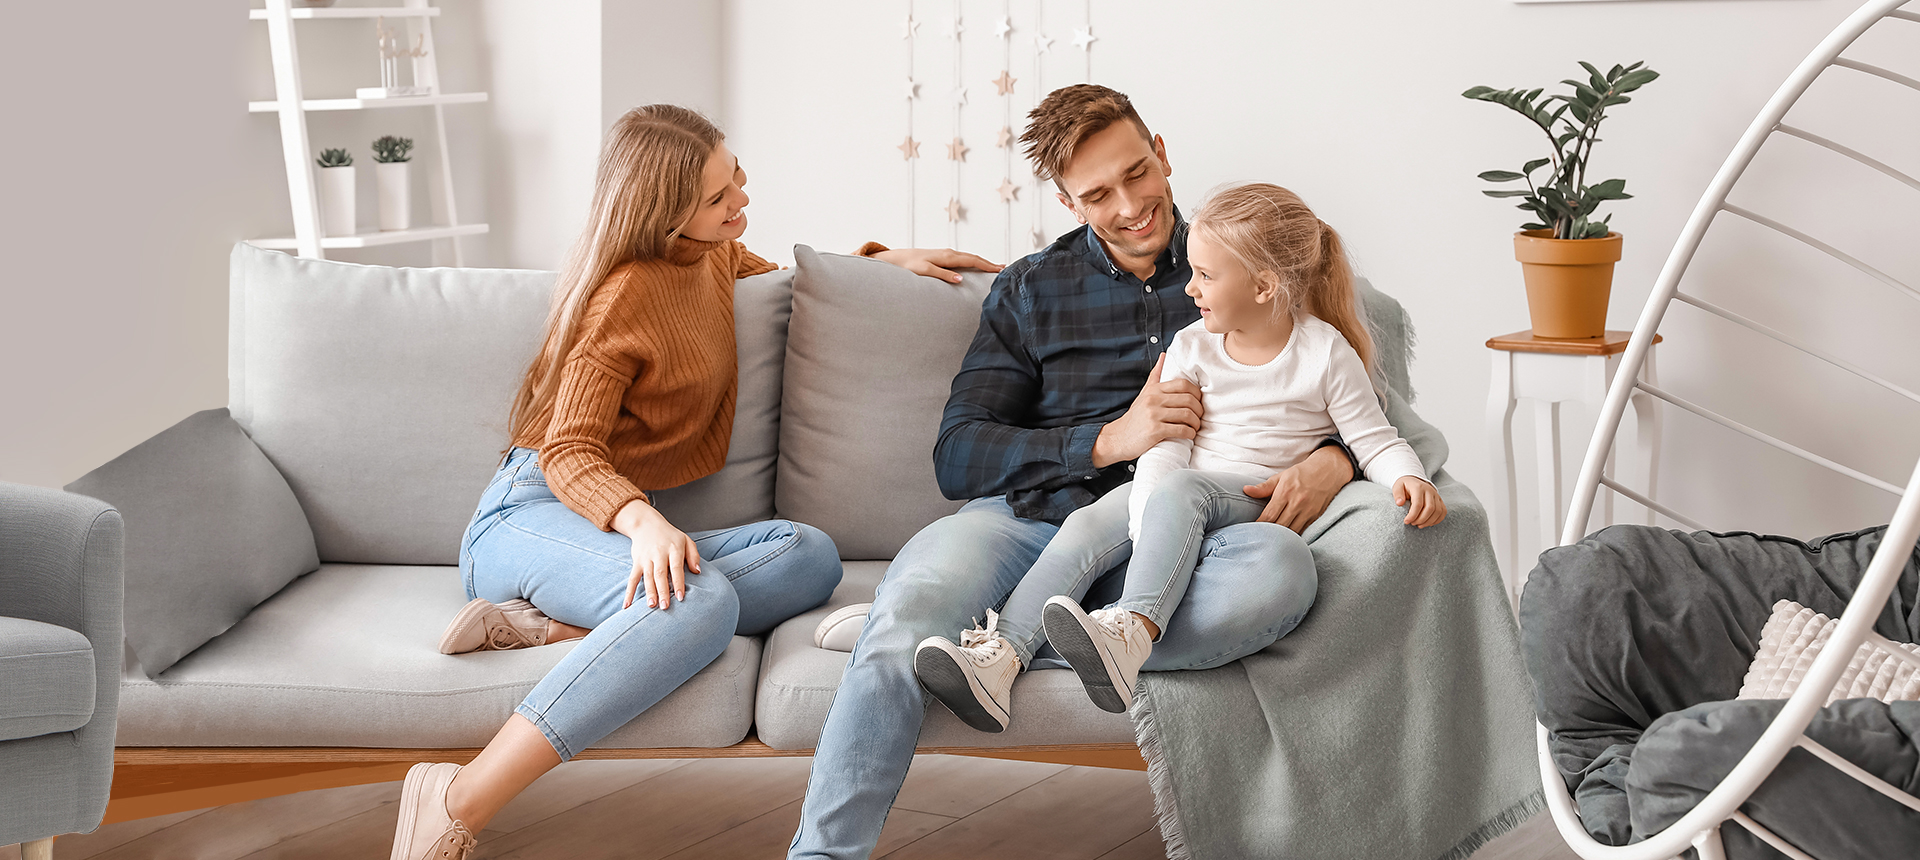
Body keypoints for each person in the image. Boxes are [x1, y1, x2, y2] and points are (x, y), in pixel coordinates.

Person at [387, 104, 999, 860]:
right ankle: (456, 797)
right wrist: (642, 521)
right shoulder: (620, 298)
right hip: (530, 512)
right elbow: (568, 452)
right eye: (717, 198)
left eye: (734, 173)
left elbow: (775, 278)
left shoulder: (708, 253)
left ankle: (547, 627)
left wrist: (878, 263)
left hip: (594, 531)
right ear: (665, 216)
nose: (739, 198)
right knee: (700, 600)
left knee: (807, 554)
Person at [789, 85, 1364, 859]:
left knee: (1283, 573)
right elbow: (959, 453)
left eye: (1137, 173)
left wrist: (1334, 458)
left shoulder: (1247, 259)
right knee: (901, 628)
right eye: (1097, 194)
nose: (1130, 205)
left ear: (1161, 152)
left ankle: (993, 637)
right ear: (1066, 200)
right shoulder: (1031, 288)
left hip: (1180, 543)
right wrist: (1106, 440)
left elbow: (1368, 405)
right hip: (1029, 522)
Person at [914, 182, 1447, 730]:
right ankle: (1000, 658)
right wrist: (1146, 521)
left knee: (1187, 494)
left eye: (1206, 276)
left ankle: (1133, 629)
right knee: (1086, 524)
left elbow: (1375, 438)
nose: (1190, 288)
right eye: (1192, 272)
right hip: (1177, 490)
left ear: (1264, 285)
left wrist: (1407, 477)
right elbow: (1167, 449)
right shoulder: (1192, 347)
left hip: (1246, 498)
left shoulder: (1325, 354)